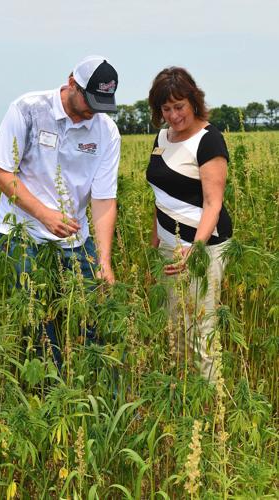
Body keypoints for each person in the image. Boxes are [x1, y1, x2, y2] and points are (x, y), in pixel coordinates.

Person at [0, 55, 121, 367]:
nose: (93, 111)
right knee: (37, 323)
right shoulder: (29, 109)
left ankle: (92, 395)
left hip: (76, 239)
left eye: (102, 103)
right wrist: (44, 214)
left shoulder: (106, 131)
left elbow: (103, 199)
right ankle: (46, 392)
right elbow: (2, 174)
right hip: (23, 236)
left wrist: (103, 261)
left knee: (90, 318)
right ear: (71, 83)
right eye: (90, 100)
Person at [146, 67, 232, 382]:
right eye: (165, 109)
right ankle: (181, 400)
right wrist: (155, 247)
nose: (173, 115)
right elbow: (160, 196)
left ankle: (213, 408)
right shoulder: (161, 138)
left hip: (202, 249)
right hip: (168, 249)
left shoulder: (209, 140)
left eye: (179, 106)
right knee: (173, 326)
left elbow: (213, 203)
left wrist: (193, 249)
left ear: (193, 102)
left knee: (201, 328)